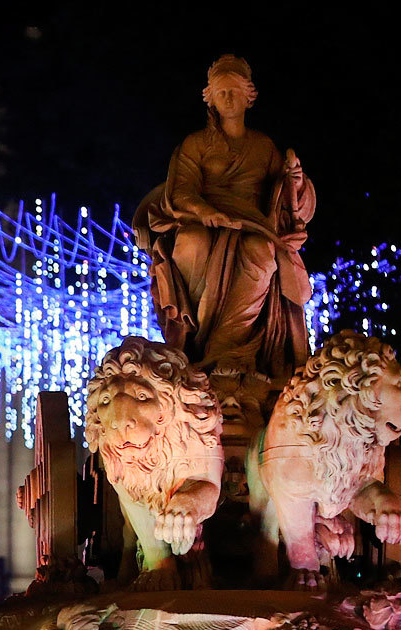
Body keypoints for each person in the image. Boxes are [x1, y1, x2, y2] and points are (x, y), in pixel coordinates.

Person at [134, 55, 317, 401]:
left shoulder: (263, 148)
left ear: (250, 96)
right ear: (211, 99)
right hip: (204, 221)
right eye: (221, 92)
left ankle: (228, 351)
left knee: (261, 253)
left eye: (234, 91)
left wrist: (295, 180)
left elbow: (286, 199)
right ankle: (198, 342)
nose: (228, 99)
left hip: (253, 226)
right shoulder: (196, 145)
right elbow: (181, 190)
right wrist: (209, 213)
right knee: (191, 243)